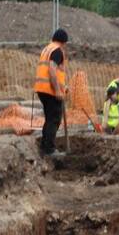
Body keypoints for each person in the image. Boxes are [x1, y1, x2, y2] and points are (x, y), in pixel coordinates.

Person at [33, 28, 69, 157]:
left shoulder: (47, 49)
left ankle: (44, 146)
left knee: (49, 119)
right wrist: (58, 90)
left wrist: (63, 87)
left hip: (43, 89)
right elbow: (52, 70)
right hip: (50, 91)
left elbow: (56, 74)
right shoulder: (57, 51)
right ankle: (49, 150)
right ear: (64, 42)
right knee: (54, 119)